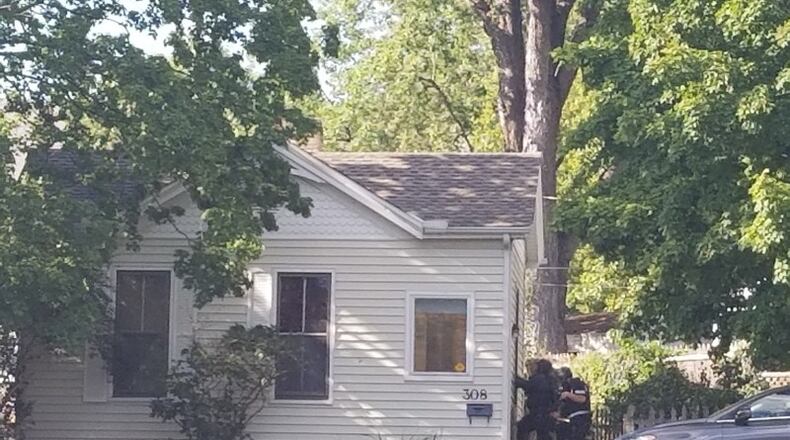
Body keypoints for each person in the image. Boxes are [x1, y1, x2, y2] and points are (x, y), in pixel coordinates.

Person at [515, 359, 559, 440]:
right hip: (546, 415)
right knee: (543, 435)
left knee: (522, 426)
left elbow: (527, 386)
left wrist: (516, 379)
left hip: (538, 414)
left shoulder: (539, 378)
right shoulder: (549, 379)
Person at [555, 367, 592, 440]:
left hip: (580, 418)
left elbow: (582, 399)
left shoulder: (576, 383)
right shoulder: (565, 387)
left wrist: (568, 394)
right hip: (570, 419)